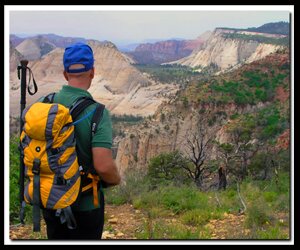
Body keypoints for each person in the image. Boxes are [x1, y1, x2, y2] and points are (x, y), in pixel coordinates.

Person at [42, 42, 121, 240]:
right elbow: (103, 166)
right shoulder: (97, 112)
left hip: (51, 200)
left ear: (65, 73)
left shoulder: (45, 104)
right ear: (92, 72)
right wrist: (115, 180)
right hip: (85, 205)